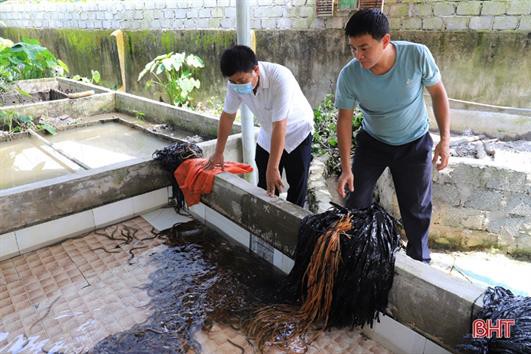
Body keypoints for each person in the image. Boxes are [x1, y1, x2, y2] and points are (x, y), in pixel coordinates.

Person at [335, 9, 450, 263]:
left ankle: (420, 263)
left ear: (385, 41)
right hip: (372, 143)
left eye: (364, 48)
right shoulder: (350, 74)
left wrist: (444, 139)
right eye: (353, 48)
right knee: (355, 202)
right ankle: (353, 258)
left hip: (414, 144)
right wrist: (346, 168)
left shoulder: (417, 55)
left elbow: (438, 94)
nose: (358, 55)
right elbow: (343, 120)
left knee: (417, 209)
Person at [207, 45, 314, 207]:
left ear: (255, 70)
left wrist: (273, 167)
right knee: (265, 185)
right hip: (269, 131)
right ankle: (266, 218)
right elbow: (228, 116)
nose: (237, 85)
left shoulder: (280, 77)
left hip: (297, 131)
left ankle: (295, 225)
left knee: (297, 183)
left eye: (241, 81)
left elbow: (280, 125)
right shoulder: (236, 84)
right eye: (232, 81)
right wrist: (219, 152)